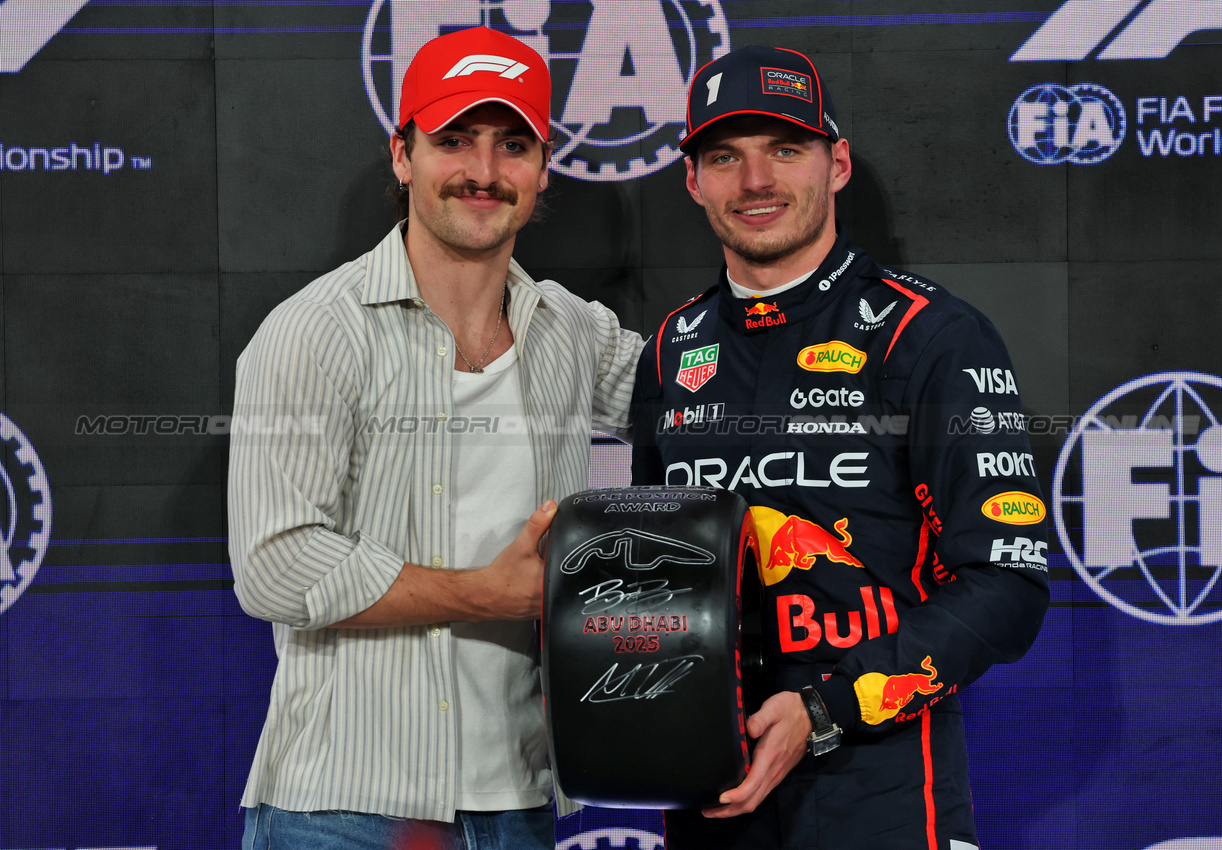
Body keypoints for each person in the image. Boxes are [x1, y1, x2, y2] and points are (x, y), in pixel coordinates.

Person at [228, 26, 642, 850]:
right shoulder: (314, 331)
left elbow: (706, 401)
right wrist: (485, 593)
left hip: (522, 803)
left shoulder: (571, 331)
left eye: (510, 145)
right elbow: (273, 566)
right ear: (401, 154)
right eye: (453, 140)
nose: (483, 172)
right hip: (343, 808)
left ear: (542, 165)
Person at [630, 45, 1050, 849]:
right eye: (725, 157)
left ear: (838, 164)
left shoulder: (930, 336)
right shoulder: (669, 349)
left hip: (885, 793)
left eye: (784, 150)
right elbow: (665, 579)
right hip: (713, 796)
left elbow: (1007, 585)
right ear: (693, 181)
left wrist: (823, 710)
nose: (755, 182)